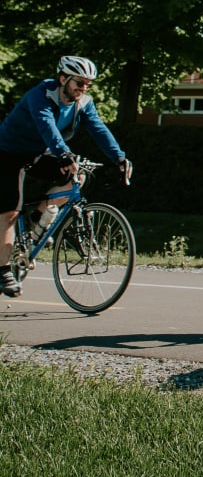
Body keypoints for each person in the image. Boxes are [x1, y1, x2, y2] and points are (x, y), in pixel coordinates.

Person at [0, 55, 129, 297]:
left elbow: (98, 128)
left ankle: (38, 219)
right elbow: (45, 124)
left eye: (87, 84)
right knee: (9, 211)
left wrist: (119, 157)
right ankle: (3, 271)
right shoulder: (41, 95)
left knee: (76, 179)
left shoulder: (84, 103)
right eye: (78, 82)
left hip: (39, 153)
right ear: (63, 79)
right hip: (8, 153)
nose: (83, 88)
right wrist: (64, 153)